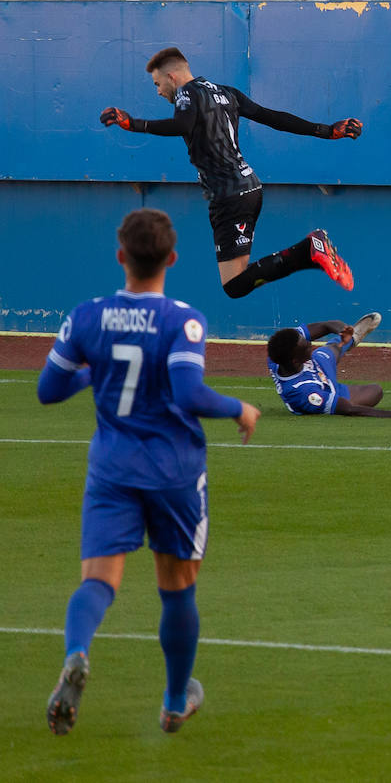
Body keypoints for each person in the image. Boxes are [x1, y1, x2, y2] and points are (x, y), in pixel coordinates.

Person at [37, 208, 261, 734]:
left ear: (121, 256)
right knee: (177, 589)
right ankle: (175, 700)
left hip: (113, 468)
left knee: (98, 581)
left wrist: (92, 372)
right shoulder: (183, 319)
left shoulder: (87, 316)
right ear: (173, 258)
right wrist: (238, 408)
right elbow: (188, 392)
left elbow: (48, 390)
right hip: (174, 471)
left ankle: (76, 653)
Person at [100, 47, 362, 299]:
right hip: (249, 187)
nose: (158, 91)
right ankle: (310, 251)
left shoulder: (185, 93)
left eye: (157, 84)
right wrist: (327, 131)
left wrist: (133, 124)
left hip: (229, 194)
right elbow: (273, 117)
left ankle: (310, 248)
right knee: (237, 282)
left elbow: (183, 124)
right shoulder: (227, 93)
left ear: (172, 76)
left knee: (234, 286)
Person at [267, 313, 391, 418]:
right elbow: (349, 409)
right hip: (326, 388)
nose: (310, 344)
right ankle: (346, 341)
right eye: (307, 347)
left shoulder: (281, 348)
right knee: (376, 390)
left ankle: (350, 338)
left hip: (315, 365)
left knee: (330, 349)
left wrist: (344, 330)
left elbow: (328, 325)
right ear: (295, 360)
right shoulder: (304, 392)